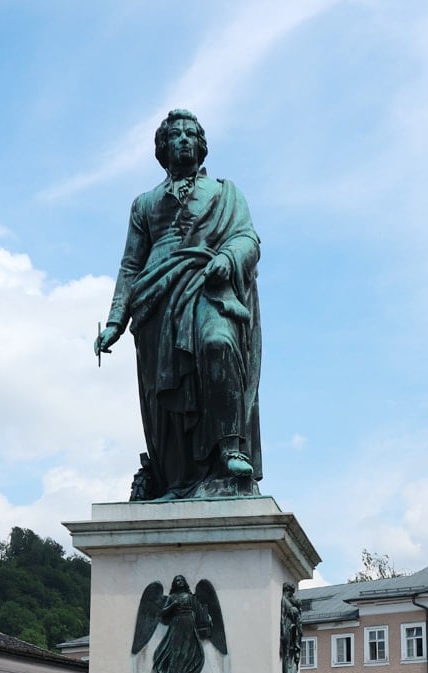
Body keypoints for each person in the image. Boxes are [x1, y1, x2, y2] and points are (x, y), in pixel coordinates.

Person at [95, 109, 262, 501]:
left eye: (191, 134)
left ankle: (229, 447)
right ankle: (177, 477)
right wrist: (115, 321)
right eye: (176, 135)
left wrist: (228, 258)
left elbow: (248, 239)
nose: (184, 140)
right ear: (163, 148)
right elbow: (131, 263)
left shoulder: (225, 193)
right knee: (165, 396)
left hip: (208, 282)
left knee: (217, 343)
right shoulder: (144, 203)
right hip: (155, 300)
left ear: (201, 146)